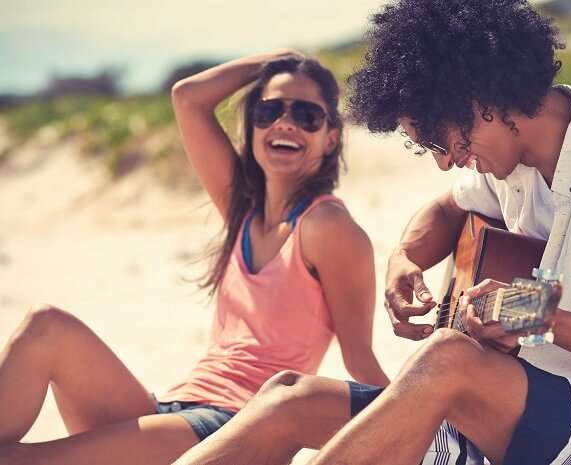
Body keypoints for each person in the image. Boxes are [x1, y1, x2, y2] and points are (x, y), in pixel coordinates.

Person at [170, 1, 571, 465]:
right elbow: (446, 210)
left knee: (448, 358)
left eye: (442, 140)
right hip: (513, 417)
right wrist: (406, 257)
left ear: (483, 100)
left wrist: (538, 314)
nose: (446, 163)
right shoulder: (508, 161)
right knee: (289, 398)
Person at [0, 50, 388, 465]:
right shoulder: (243, 213)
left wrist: (423, 422)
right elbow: (187, 98)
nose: (285, 122)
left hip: (234, 427)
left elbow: (359, 360)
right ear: (251, 125)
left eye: (307, 115)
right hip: (170, 412)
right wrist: (278, 61)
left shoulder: (326, 228)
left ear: (331, 137)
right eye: (269, 109)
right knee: (46, 326)